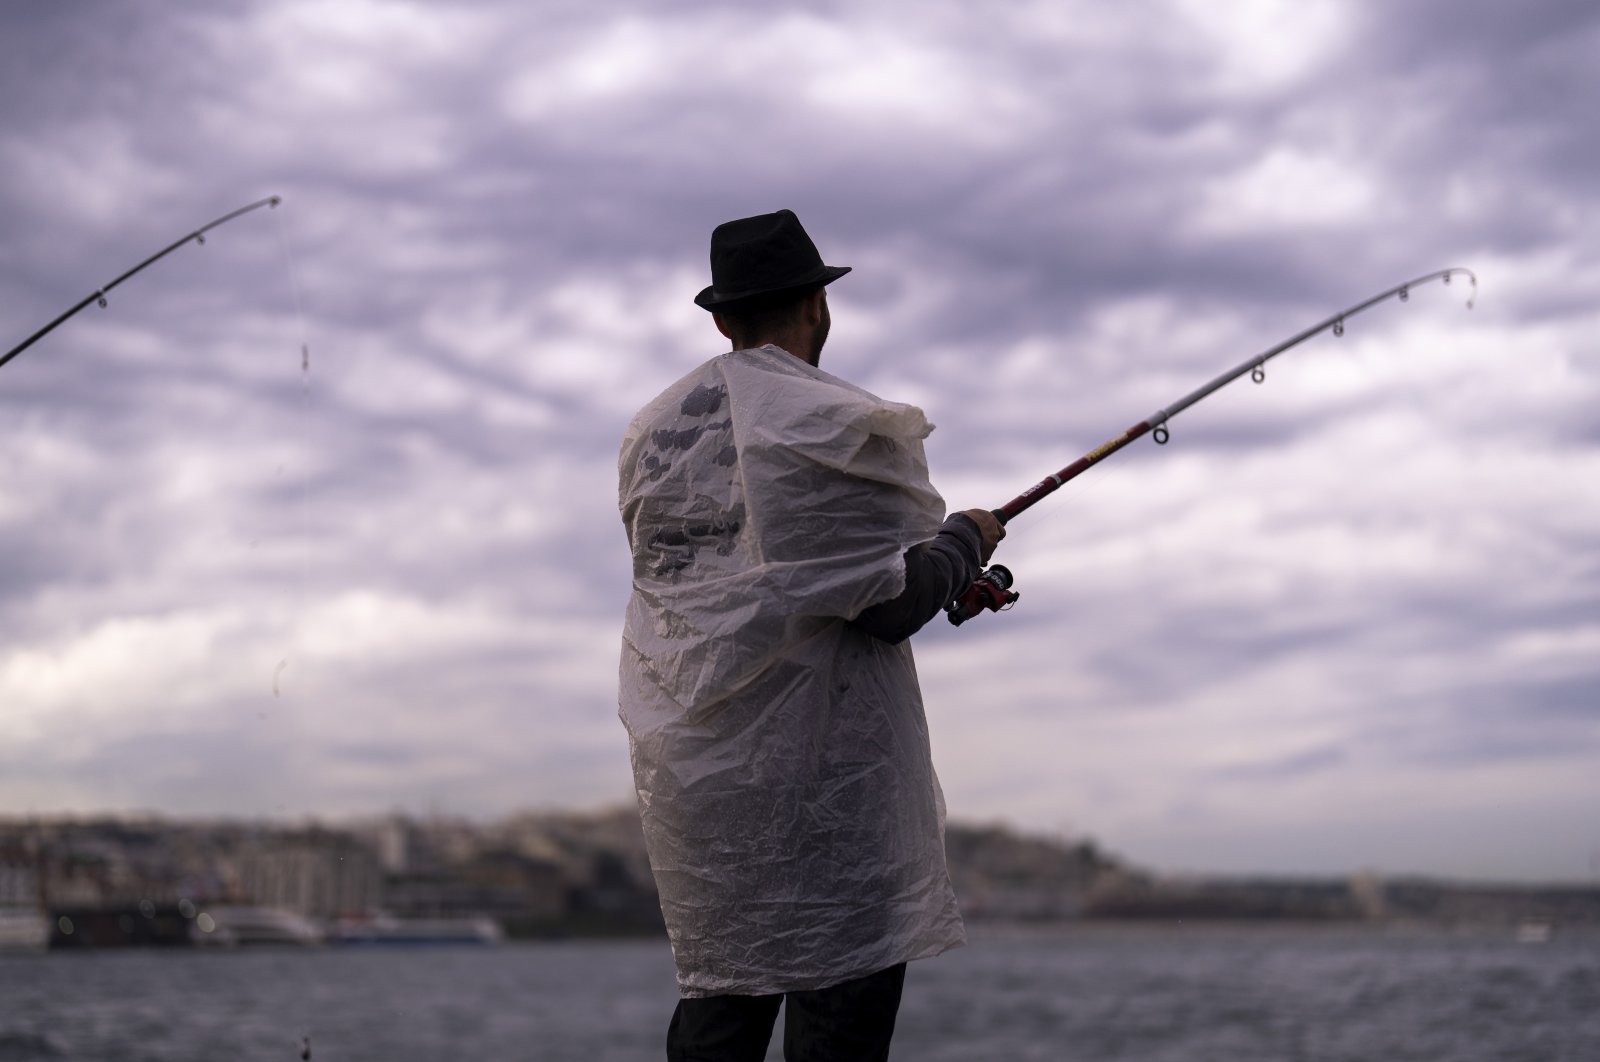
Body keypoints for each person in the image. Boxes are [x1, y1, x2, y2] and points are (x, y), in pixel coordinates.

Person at [617, 209, 1004, 1061]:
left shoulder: (653, 436)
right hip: (834, 792)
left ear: (721, 318)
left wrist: (933, 562)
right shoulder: (836, 422)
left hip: (706, 792)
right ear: (818, 308)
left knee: (721, 1009)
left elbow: (756, 586)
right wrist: (965, 539)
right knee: (837, 1019)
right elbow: (890, 600)